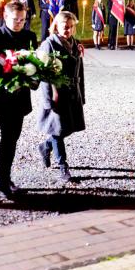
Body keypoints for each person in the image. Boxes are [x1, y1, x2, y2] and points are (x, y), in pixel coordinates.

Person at [0, 1, 38, 199]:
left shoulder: (29, 37)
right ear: (5, 17)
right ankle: (3, 182)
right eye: (16, 19)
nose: (19, 23)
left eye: (22, 20)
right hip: (2, 98)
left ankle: (6, 178)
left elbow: (36, 64)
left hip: (21, 97)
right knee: (8, 136)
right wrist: (7, 81)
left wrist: (32, 79)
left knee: (13, 137)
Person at [36, 11, 85, 183]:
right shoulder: (49, 44)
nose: (68, 30)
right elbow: (44, 74)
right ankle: (63, 166)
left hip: (72, 93)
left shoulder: (75, 44)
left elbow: (80, 71)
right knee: (57, 130)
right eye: (65, 26)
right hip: (56, 94)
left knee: (66, 129)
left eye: (71, 27)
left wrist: (81, 94)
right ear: (56, 25)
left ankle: (46, 145)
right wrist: (48, 100)